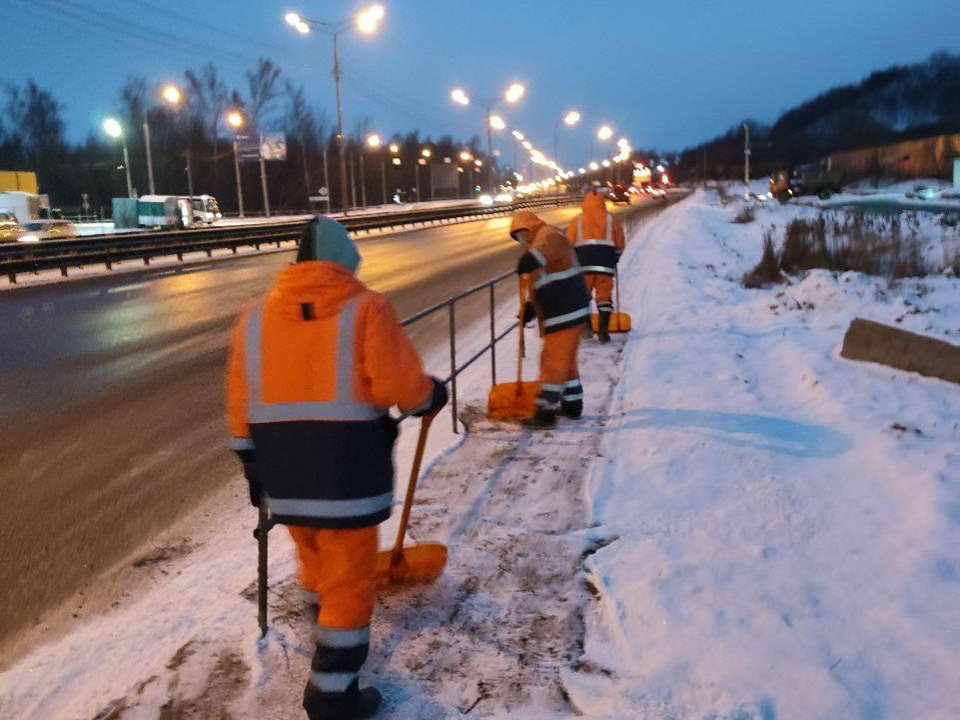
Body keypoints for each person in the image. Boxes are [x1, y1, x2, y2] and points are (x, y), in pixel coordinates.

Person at [226, 215, 447, 720]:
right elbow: (400, 387)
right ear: (345, 262)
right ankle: (332, 692)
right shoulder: (366, 308)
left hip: (283, 476)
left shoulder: (255, 318)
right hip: (347, 474)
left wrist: (249, 461)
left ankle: (321, 629)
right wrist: (432, 394)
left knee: (314, 559)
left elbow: (240, 398)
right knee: (349, 583)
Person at [510, 210, 591, 428]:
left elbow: (553, 247)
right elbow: (542, 283)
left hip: (566, 308)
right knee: (567, 361)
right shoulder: (535, 245)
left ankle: (544, 411)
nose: (520, 239)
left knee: (552, 361)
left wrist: (531, 259)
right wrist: (530, 308)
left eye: (520, 234)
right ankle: (572, 403)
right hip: (565, 309)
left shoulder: (548, 234)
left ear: (528, 228)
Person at [566, 190, 625, 343]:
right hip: (605, 264)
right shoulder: (611, 219)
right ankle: (603, 332)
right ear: (602, 202)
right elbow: (620, 243)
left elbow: (569, 244)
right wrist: (615, 258)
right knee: (604, 298)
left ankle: (587, 328)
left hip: (583, 265)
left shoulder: (577, 220)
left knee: (583, 297)